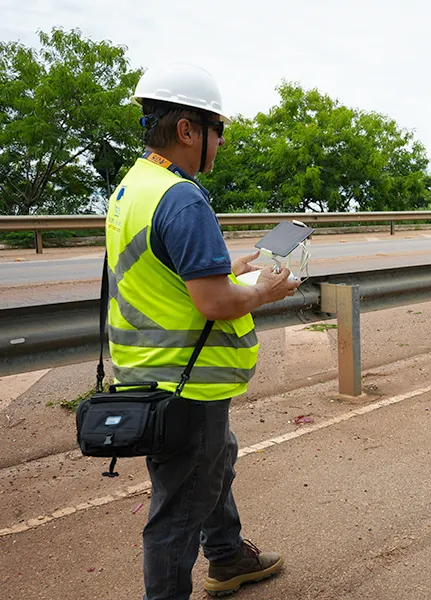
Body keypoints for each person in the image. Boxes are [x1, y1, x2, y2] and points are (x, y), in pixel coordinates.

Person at [105, 62, 299, 599]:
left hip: (149, 374)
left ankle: (229, 555)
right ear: (189, 130)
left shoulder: (132, 187)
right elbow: (214, 303)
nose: (220, 143)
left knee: (211, 465)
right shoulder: (182, 196)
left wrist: (227, 267)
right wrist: (266, 290)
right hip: (187, 381)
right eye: (218, 131)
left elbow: (166, 272)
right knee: (180, 508)